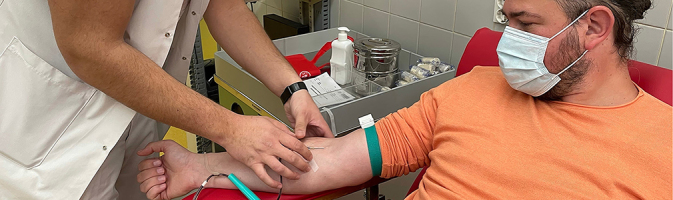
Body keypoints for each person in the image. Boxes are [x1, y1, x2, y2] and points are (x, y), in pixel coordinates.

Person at [136, 0, 672, 199]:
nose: (508, 41)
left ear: (595, 26)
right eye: (507, 21)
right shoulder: (473, 88)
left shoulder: (663, 149)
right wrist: (199, 164)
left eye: (526, 24)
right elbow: (336, 160)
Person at [0, 0, 332, 199]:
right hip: (52, 121)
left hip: (136, 109)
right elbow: (90, 46)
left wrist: (293, 89)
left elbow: (223, 6)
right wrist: (231, 129)